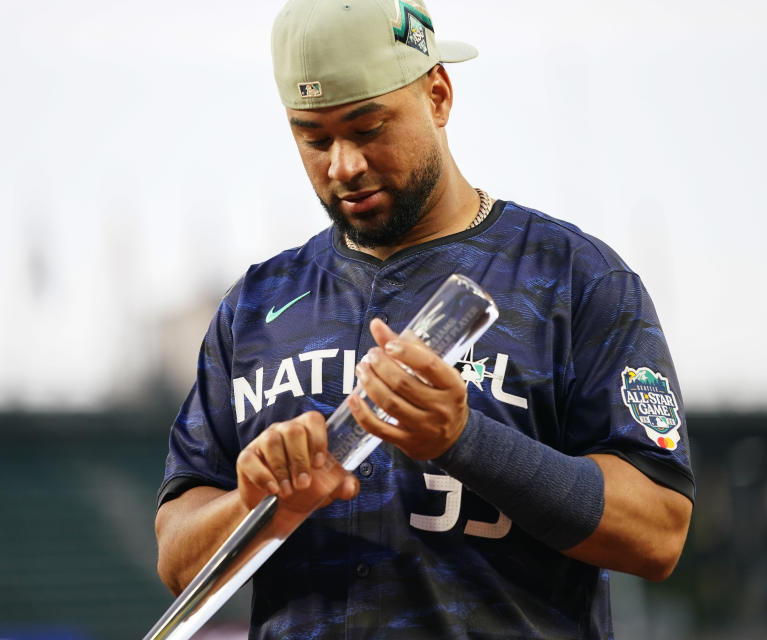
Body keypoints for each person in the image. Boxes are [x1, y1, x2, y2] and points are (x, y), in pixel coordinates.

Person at [154, 0, 694, 637]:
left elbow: (658, 532)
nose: (344, 165)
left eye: (368, 126)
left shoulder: (574, 278)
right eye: (315, 138)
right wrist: (257, 501)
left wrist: (464, 439)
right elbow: (177, 557)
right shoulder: (256, 305)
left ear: (438, 95)